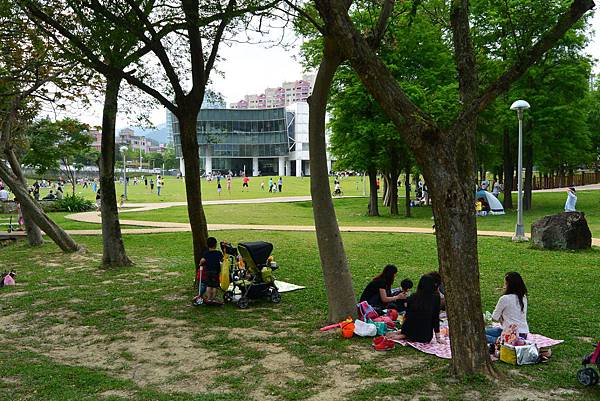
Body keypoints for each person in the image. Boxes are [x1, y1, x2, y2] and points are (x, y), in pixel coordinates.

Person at [485, 272, 529, 344]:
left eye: (505, 283)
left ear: (509, 285)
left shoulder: (504, 298)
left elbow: (494, 317)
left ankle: (498, 341)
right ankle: (502, 341)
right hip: (523, 334)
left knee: (478, 333)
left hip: (509, 334)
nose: (504, 286)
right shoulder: (523, 297)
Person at [397, 275, 442, 343]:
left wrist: (404, 331)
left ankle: (404, 335)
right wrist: (438, 338)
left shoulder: (412, 296)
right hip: (424, 336)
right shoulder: (435, 298)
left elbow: (407, 315)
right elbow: (435, 318)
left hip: (409, 331)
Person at [199, 237, 223, 302]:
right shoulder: (218, 253)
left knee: (209, 285)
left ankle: (208, 298)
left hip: (208, 271)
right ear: (215, 244)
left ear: (207, 245)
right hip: (216, 272)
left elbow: (202, 260)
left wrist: (200, 264)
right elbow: (222, 260)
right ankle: (213, 298)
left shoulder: (206, 253)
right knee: (215, 286)